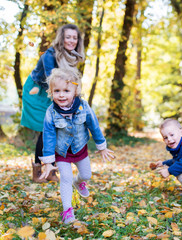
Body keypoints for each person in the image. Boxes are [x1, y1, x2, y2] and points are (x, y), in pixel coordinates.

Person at [38, 68, 115, 224]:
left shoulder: (84, 107)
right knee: (65, 178)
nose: (61, 95)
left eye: (66, 90)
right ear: (51, 92)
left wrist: (102, 146)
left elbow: (94, 125)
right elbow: (48, 136)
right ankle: (67, 211)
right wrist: (48, 162)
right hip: (61, 152)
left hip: (80, 149)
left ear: (75, 90)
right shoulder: (51, 112)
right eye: (57, 91)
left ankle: (78, 182)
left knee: (86, 174)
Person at [20, 24, 85, 183]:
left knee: (57, 129)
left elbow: (70, 79)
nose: (71, 40)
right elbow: (53, 80)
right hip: (39, 91)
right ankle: (37, 172)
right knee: (47, 129)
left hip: (57, 90)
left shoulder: (71, 55)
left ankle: (50, 170)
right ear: (61, 38)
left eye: (74, 38)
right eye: (67, 37)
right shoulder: (50, 55)